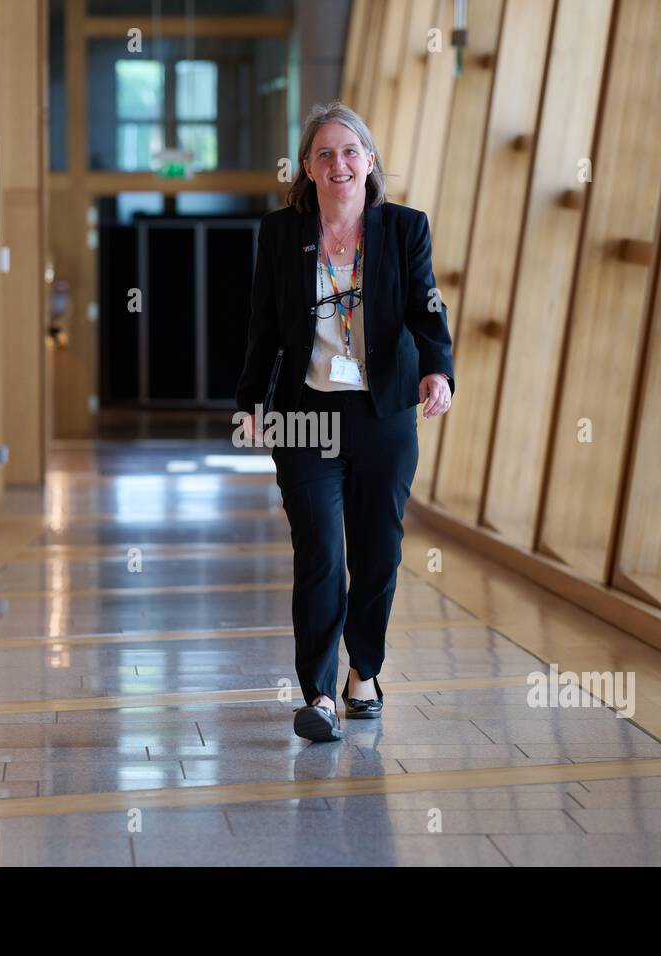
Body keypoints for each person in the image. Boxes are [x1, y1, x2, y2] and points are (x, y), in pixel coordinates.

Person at [235, 102, 455, 742]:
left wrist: (437, 370)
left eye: (350, 151)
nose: (339, 164)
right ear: (307, 166)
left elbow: (427, 308)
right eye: (325, 154)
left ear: (370, 161)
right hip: (308, 419)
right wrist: (252, 405)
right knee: (322, 554)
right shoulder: (281, 234)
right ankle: (319, 694)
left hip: (383, 415)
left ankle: (366, 671)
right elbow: (264, 330)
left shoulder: (404, 229)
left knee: (379, 552)